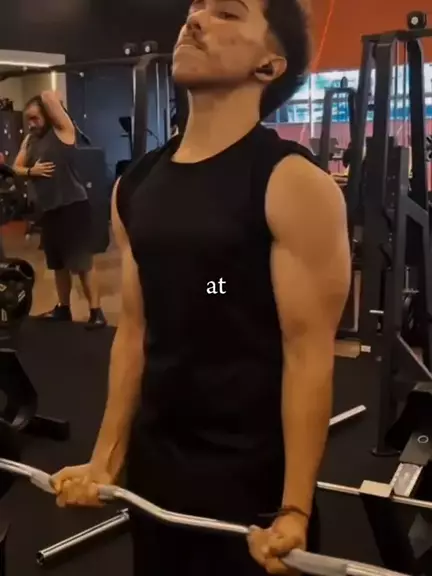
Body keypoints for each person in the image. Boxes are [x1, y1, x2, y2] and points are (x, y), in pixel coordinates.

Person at [52, 0, 351, 574]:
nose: (194, 20)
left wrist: (294, 508)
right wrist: (104, 459)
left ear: (269, 65)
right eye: (196, 7)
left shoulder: (292, 184)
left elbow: (308, 355)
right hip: (156, 468)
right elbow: (134, 331)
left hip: (250, 482)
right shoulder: (136, 184)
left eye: (227, 14)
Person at [13, 92, 106, 329]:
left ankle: (96, 312)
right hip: (49, 210)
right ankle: (63, 308)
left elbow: (49, 96)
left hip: (72, 207)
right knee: (57, 264)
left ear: (48, 114)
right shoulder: (30, 139)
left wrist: (47, 99)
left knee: (82, 263)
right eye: (28, 119)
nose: (31, 124)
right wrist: (31, 171)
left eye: (35, 118)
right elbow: (16, 168)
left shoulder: (63, 131)